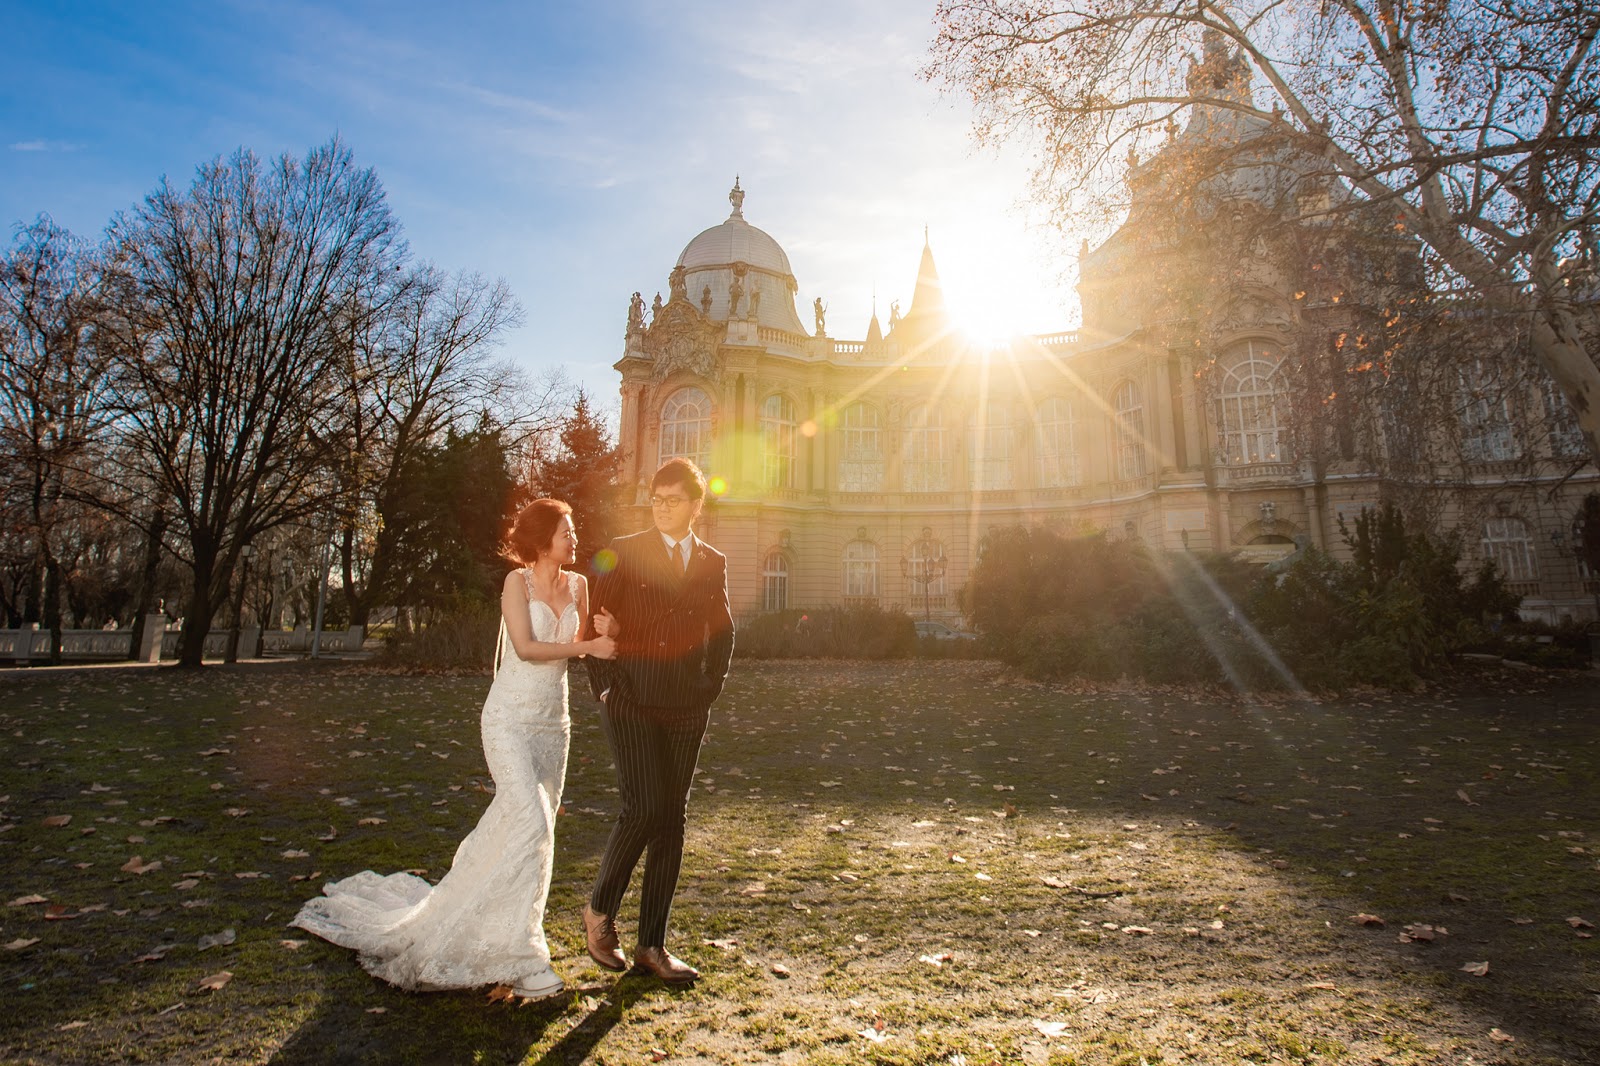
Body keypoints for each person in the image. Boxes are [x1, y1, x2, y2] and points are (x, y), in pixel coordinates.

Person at [291, 499, 616, 1000]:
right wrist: (585, 647)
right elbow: (528, 649)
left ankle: (497, 932)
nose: (575, 538)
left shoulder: (579, 585)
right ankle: (526, 958)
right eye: (566, 531)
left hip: (554, 726)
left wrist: (603, 634)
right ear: (541, 538)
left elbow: (579, 644)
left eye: (574, 530)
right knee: (529, 820)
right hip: (507, 719)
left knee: (536, 831)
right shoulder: (516, 583)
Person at [581, 458, 733, 983]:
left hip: (687, 706)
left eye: (673, 500)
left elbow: (723, 630)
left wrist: (708, 688)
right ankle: (599, 910)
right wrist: (605, 689)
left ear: (696, 505)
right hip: (632, 701)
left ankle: (652, 945)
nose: (663, 507)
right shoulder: (624, 551)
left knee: (670, 820)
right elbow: (593, 626)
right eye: (656, 498)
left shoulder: (713, 562)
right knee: (642, 805)